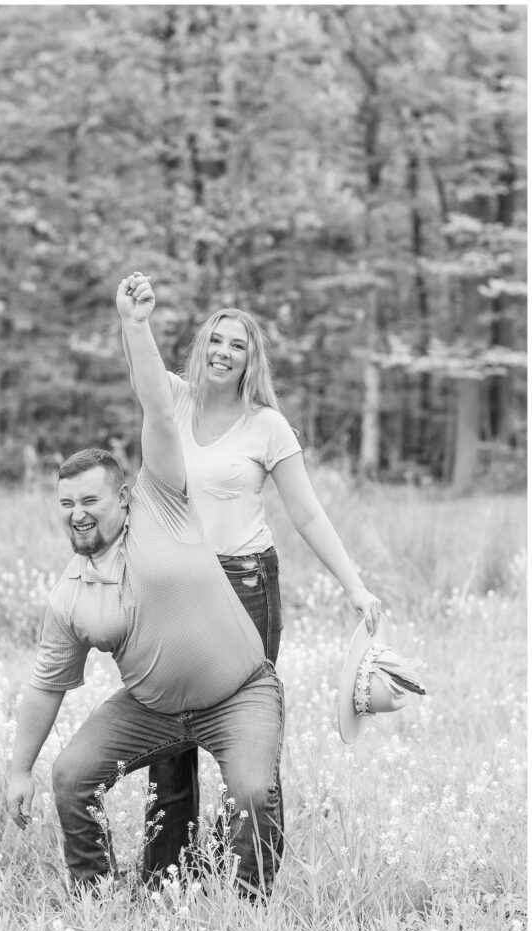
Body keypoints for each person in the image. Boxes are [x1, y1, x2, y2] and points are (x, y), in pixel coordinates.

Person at [6, 272, 285, 899]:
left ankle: (249, 912)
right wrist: (20, 768)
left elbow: (159, 406)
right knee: (72, 775)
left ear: (124, 496)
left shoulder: (162, 502)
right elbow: (46, 684)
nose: (78, 513)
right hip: (154, 710)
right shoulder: (71, 595)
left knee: (251, 792)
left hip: (238, 690)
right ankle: (99, 899)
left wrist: (134, 326)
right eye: (66, 503)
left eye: (91, 500)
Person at [120, 279, 381, 878]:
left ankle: (251, 875)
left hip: (244, 584)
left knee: (250, 731)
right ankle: (168, 874)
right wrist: (135, 321)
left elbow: (308, 513)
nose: (223, 351)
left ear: (249, 358)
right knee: (168, 729)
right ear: (200, 347)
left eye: (236, 344)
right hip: (176, 587)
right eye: (215, 339)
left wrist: (354, 585)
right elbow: (143, 377)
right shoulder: (176, 403)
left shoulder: (268, 426)